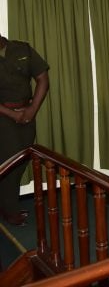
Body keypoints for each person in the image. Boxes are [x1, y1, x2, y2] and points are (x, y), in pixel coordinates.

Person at [0, 32, 49, 226]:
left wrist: (32, 110)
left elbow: (43, 78)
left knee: (22, 160)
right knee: (10, 162)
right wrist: (13, 115)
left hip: (28, 111)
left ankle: (5, 203)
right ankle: (10, 210)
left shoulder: (22, 48)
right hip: (3, 116)